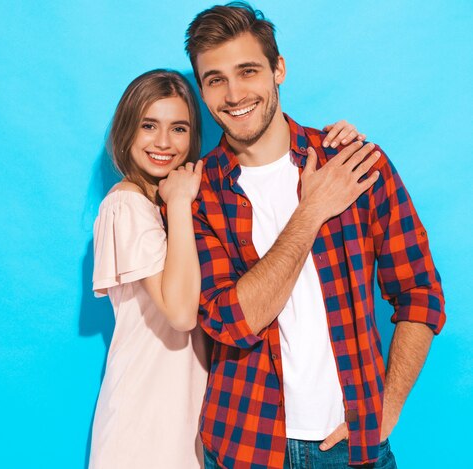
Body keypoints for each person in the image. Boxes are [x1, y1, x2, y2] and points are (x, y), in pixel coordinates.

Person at [184, 3, 446, 469]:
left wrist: (388, 406)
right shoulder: (197, 195)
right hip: (244, 445)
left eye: (248, 71)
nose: (234, 92)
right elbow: (233, 321)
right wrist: (311, 210)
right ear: (202, 90)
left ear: (278, 69)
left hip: (352, 447)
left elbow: (420, 292)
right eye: (215, 78)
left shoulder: (355, 164)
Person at [89, 68, 368, 468]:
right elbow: (182, 313)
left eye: (179, 128)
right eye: (149, 125)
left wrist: (330, 140)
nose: (164, 142)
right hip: (147, 418)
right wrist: (182, 204)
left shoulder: (168, 200)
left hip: (190, 415)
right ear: (126, 130)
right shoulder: (127, 204)